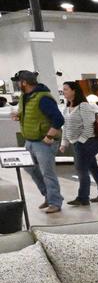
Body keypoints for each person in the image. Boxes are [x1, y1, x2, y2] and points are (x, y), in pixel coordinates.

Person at [11, 70, 63, 213]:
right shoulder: (25, 96)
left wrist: (50, 136)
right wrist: (19, 116)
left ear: (24, 82)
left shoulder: (43, 98)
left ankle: (55, 202)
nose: (16, 84)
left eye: (17, 82)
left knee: (48, 172)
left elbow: (58, 119)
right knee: (29, 167)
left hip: (43, 142)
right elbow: (34, 115)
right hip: (30, 140)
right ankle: (48, 195)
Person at [60, 81, 98, 206]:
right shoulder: (66, 108)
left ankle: (83, 197)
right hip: (78, 143)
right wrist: (64, 142)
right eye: (63, 90)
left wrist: (80, 141)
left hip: (89, 143)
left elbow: (89, 126)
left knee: (81, 169)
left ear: (74, 91)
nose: (64, 92)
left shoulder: (84, 106)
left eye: (66, 89)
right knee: (93, 168)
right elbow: (66, 127)